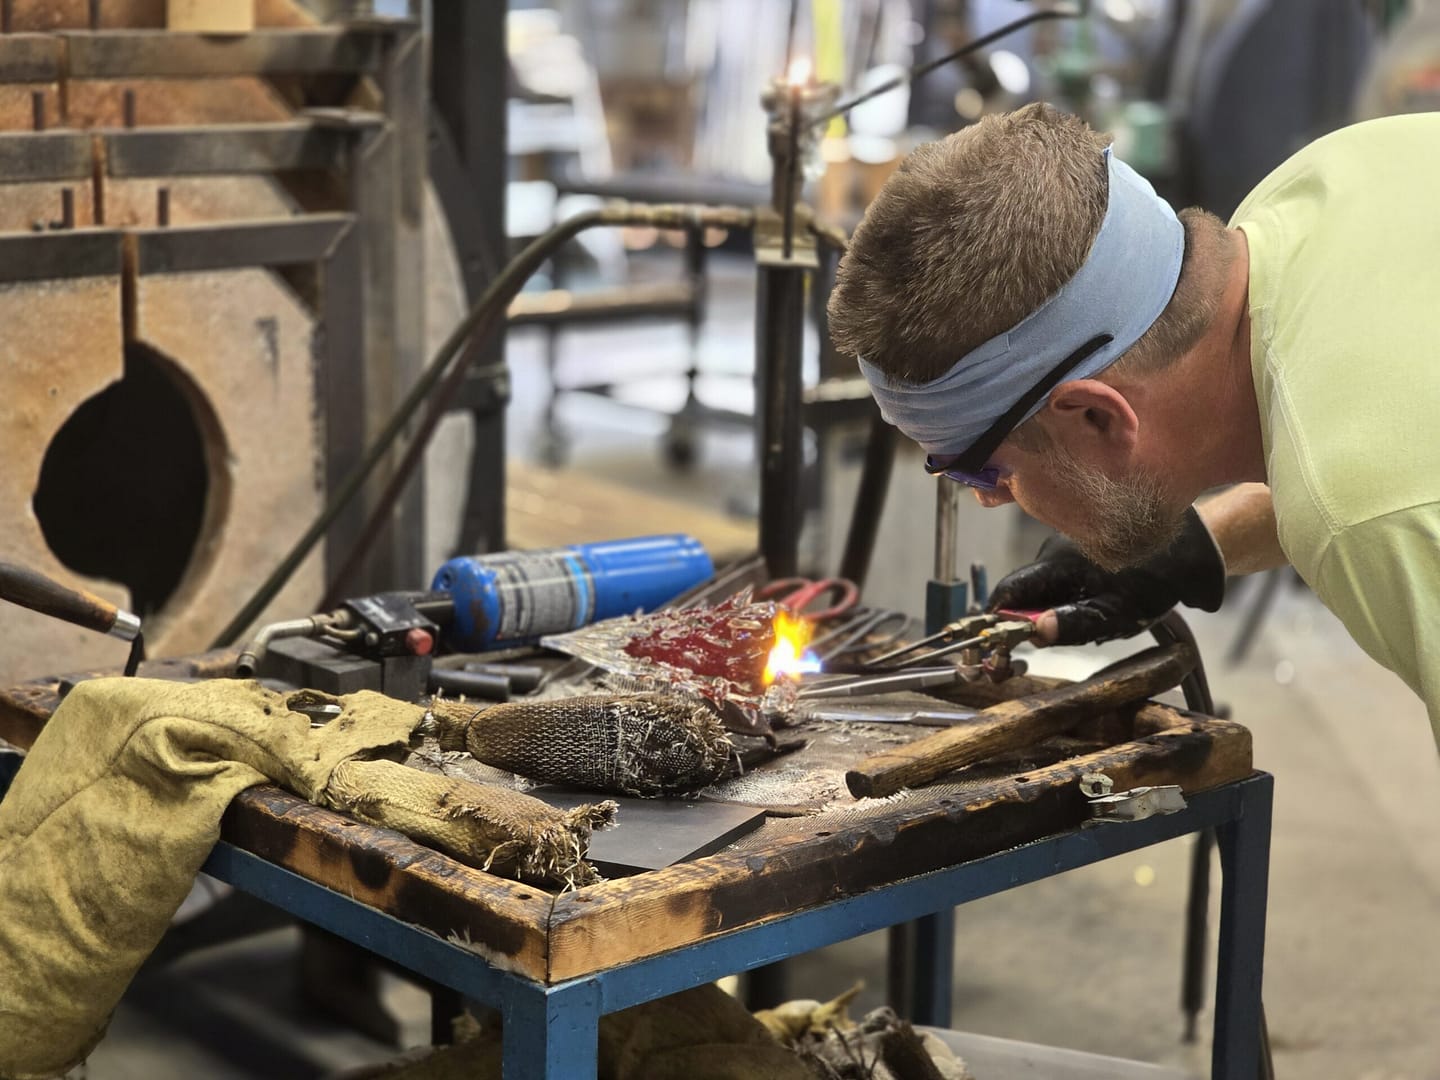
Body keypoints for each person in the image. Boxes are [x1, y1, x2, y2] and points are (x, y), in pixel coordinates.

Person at [828, 102, 1440, 741]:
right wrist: (1199, 548)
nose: (989, 501)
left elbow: (1380, 498)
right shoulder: (1318, 183)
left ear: (1095, 416)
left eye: (983, 471)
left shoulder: (1375, 515)